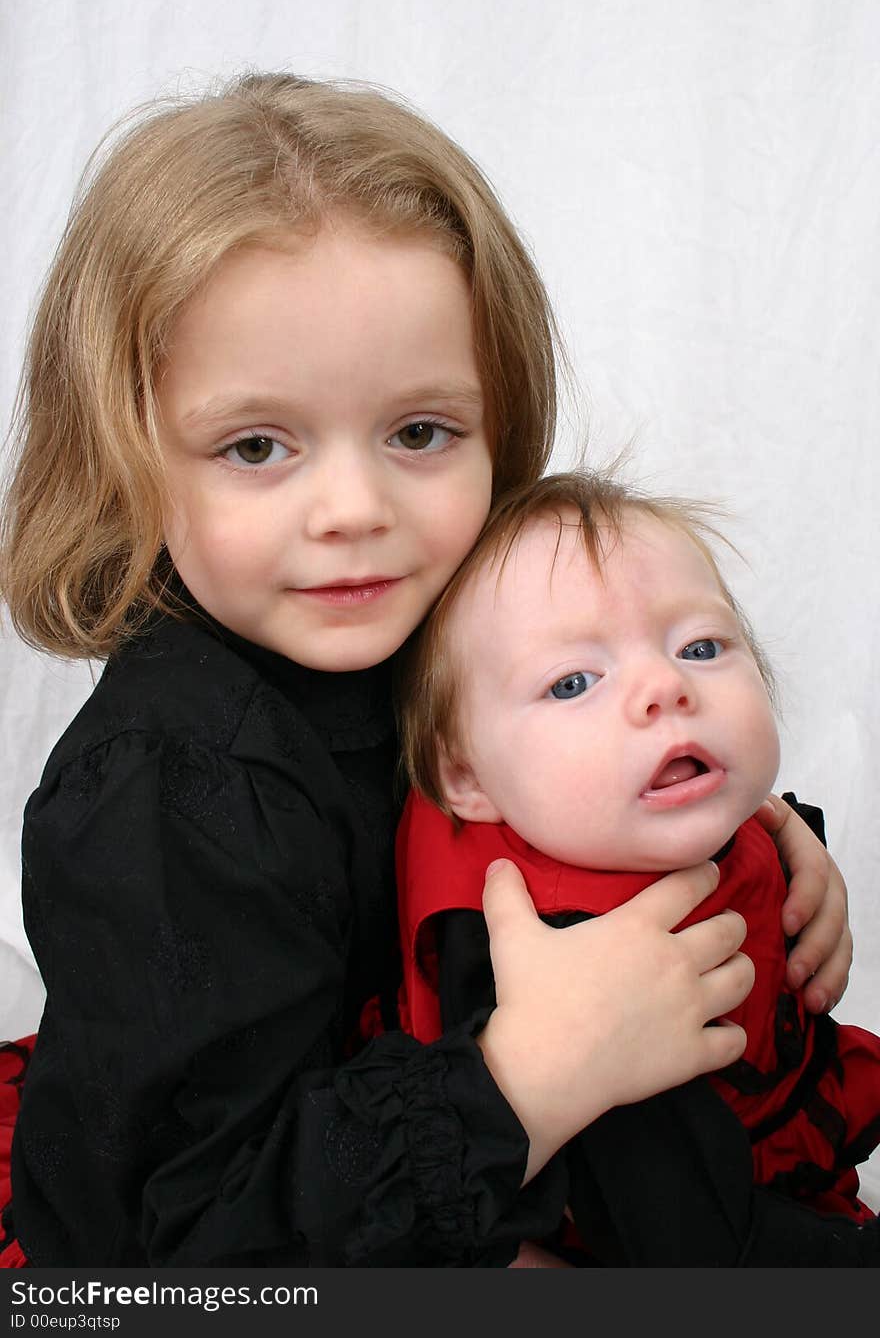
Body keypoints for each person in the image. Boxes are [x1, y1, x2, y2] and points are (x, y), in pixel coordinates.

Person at [0, 73, 852, 1269]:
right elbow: (179, 1251)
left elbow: (578, 759)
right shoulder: (168, 793)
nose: (355, 511)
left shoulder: (441, 609)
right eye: (256, 445)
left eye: (419, 433)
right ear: (126, 453)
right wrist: (520, 1082)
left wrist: (760, 837)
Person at [396, 470, 880, 1265]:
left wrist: (789, 831)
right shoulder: (567, 970)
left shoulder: (612, 816)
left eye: (701, 646)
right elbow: (688, 1245)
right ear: (468, 780)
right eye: (574, 682)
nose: (666, 686)